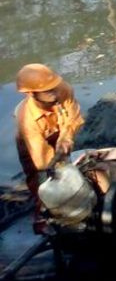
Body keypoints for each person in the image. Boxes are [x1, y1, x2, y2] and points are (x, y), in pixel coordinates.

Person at [14, 63, 84, 228]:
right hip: (33, 141)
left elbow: (73, 117)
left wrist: (66, 138)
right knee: (41, 179)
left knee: (67, 162)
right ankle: (43, 218)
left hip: (56, 129)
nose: (55, 92)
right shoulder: (28, 121)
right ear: (31, 93)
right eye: (48, 91)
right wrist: (58, 170)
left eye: (55, 87)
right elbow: (42, 161)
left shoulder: (63, 89)